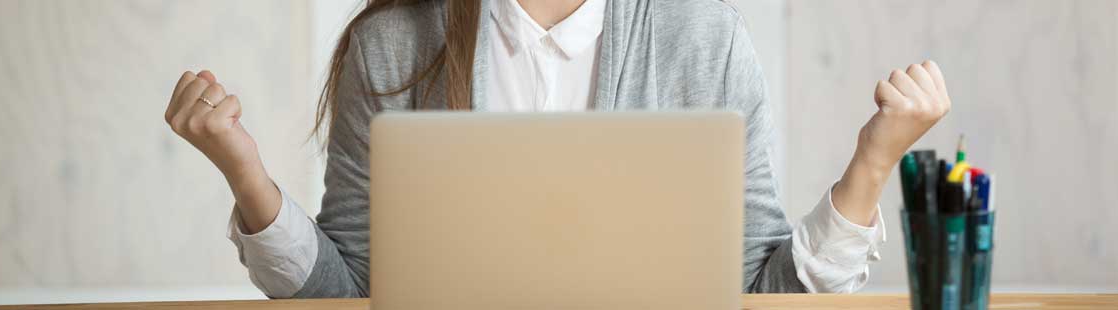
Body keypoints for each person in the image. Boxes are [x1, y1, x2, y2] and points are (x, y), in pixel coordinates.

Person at [163, 0, 951, 298]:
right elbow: (353, 292)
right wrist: (247, 174)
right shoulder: (392, 44)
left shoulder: (704, 38)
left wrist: (874, 162)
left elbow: (758, 292)